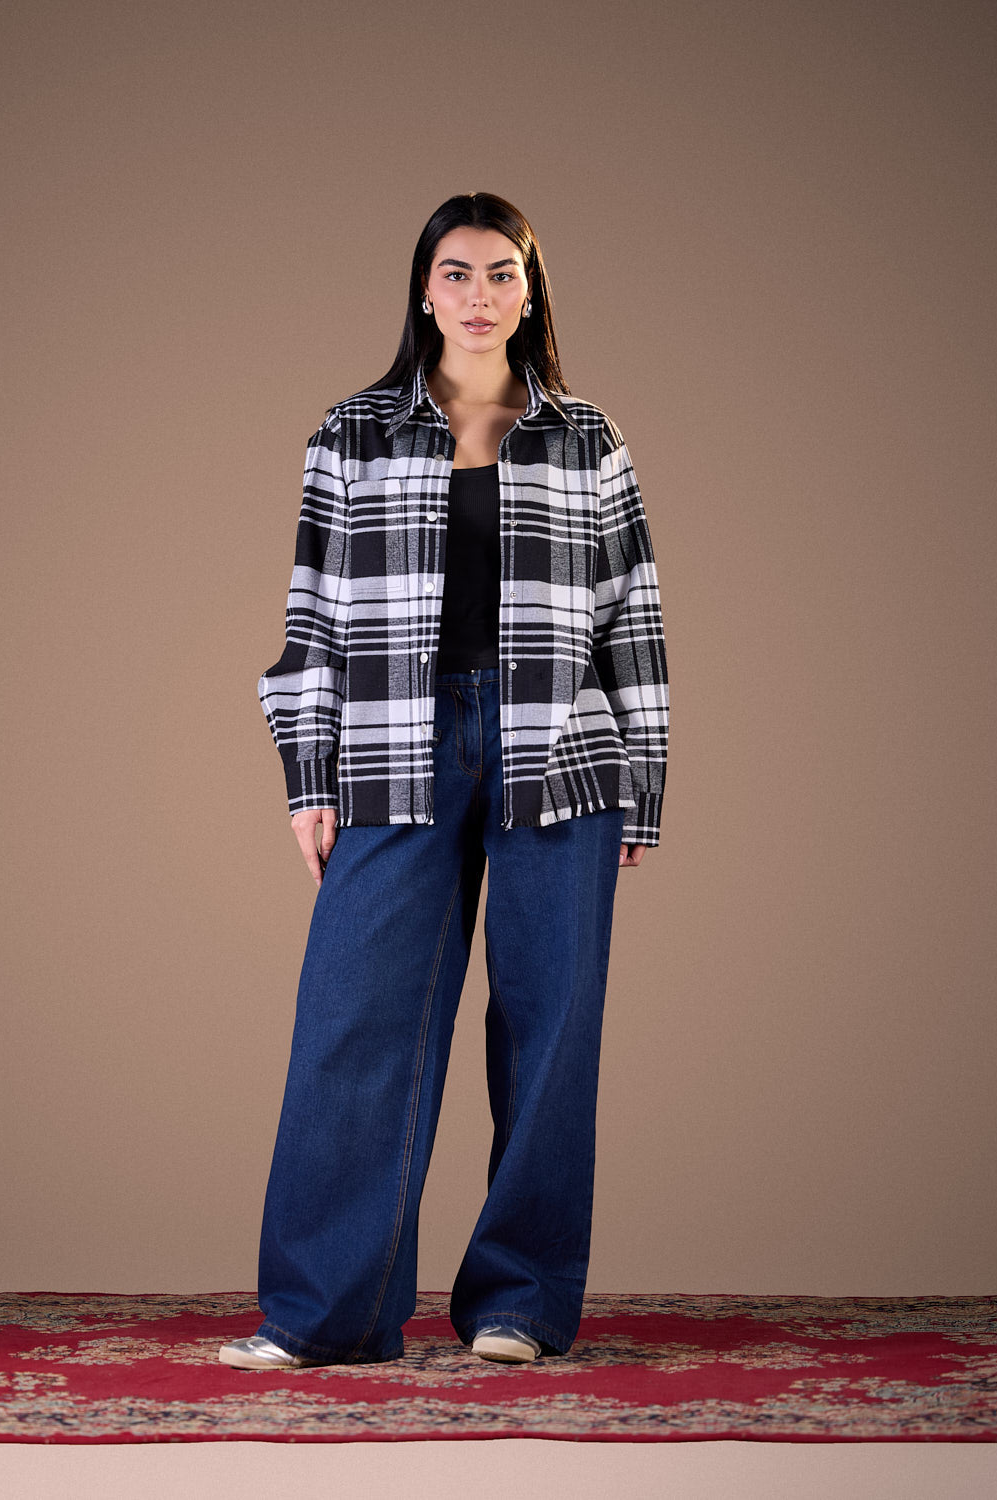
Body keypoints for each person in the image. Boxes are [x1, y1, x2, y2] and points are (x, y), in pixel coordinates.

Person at [220, 191, 669, 1370]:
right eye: (458, 273)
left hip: (561, 754)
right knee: (354, 1025)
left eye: (502, 273)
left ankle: (520, 1303)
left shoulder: (590, 438)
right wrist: (306, 777)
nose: (480, 295)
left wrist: (645, 785)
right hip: (391, 748)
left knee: (548, 1031)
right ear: (425, 291)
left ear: (531, 291)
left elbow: (632, 620)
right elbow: (313, 617)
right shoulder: (353, 433)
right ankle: (327, 1314)